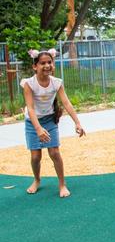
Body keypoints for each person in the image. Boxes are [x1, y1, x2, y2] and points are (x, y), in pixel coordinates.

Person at [21, 49, 85, 198]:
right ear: (35, 66)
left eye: (49, 62)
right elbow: (30, 108)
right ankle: (37, 180)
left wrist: (77, 123)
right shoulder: (29, 84)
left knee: (54, 152)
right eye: (42, 63)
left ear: (53, 64)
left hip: (49, 119)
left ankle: (62, 184)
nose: (47, 65)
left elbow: (67, 103)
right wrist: (37, 128)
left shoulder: (56, 83)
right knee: (36, 156)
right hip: (32, 122)